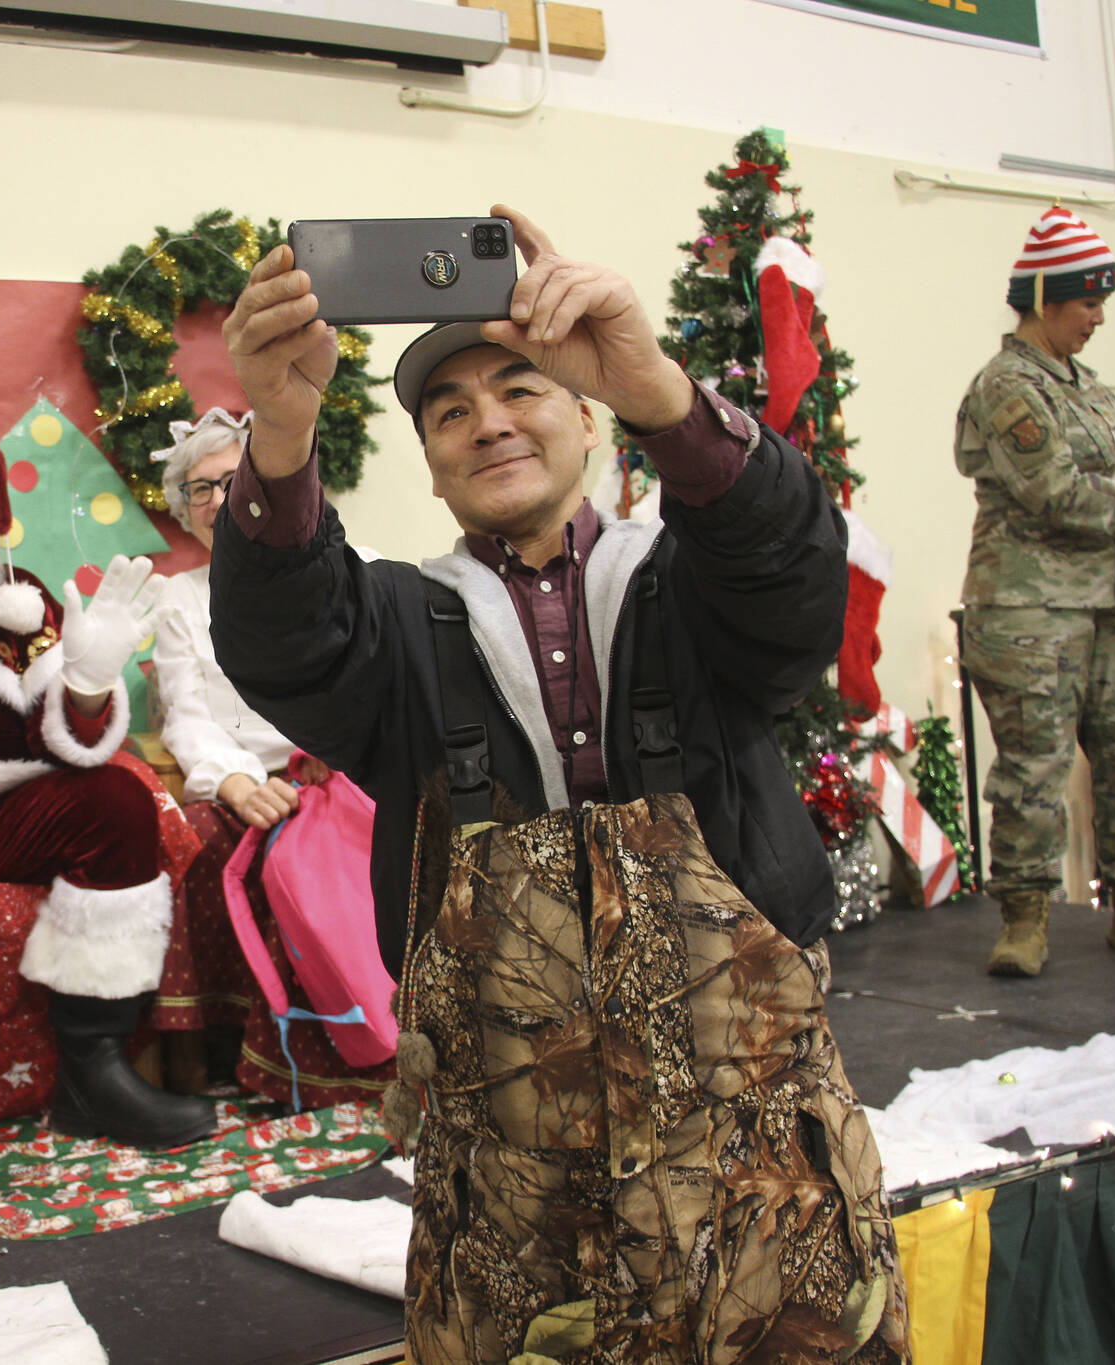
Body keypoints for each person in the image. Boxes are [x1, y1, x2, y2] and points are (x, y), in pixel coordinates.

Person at [213, 206, 908, 1362]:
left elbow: (791, 572)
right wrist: (280, 431)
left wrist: (657, 387)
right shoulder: (395, 624)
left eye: (520, 389)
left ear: (586, 419)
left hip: (759, 1166)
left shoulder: (695, 580)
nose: (486, 422)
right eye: (449, 411)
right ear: (430, 468)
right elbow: (286, 639)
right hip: (513, 1199)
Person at [0, 396, 219, 1151]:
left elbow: (63, 742)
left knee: (117, 795)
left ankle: (92, 1077)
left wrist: (88, 680)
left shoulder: (14, 600)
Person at [955, 206, 1115, 977]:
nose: (1098, 318)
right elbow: (1057, 493)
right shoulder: (1006, 386)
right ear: (1043, 298)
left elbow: (1112, 483)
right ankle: (1025, 920)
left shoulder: (1090, 389)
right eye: (1087, 302)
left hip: (1114, 605)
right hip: (1032, 611)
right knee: (1033, 766)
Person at [147, 407, 396, 1109]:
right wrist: (233, 778)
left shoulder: (359, 567)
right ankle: (224, 1051)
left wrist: (339, 746)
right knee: (194, 835)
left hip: (353, 767)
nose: (220, 500)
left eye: (236, 479)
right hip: (253, 776)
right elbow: (186, 713)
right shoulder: (178, 599)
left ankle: (383, 1040)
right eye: (200, 488)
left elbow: (390, 680)